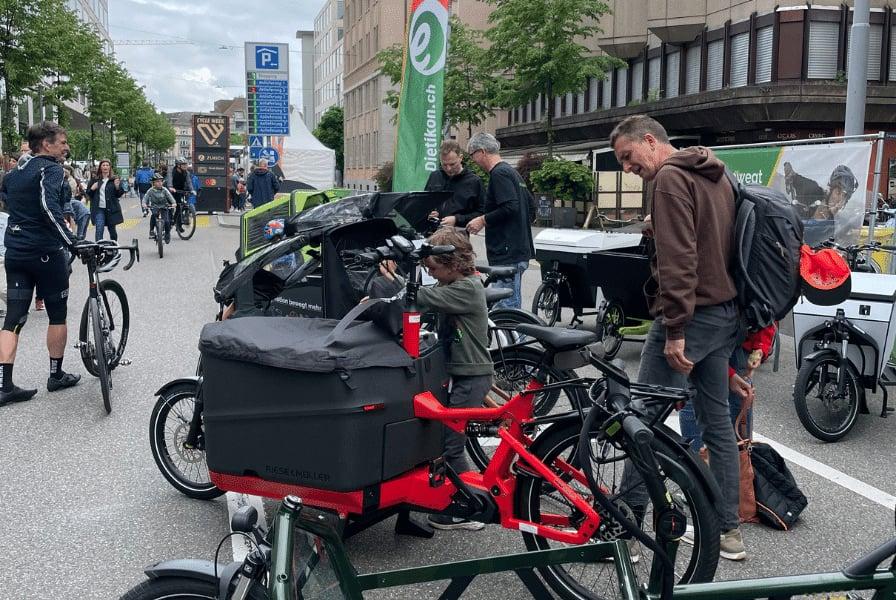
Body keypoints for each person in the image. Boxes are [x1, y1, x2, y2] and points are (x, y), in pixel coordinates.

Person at [610, 115, 745, 560]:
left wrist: (675, 329)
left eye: (628, 157)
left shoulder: (668, 179)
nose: (629, 168)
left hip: (691, 316)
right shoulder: (714, 172)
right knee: (717, 424)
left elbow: (680, 260)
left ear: (650, 141)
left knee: (640, 418)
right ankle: (728, 532)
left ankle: (625, 525)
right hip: (724, 312)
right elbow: (714, 242)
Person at [368, 227, 492, 531]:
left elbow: (424, 298)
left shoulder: (466, 289)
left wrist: (394, 279)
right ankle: (458, 500)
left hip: (470, 377)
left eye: (434, 268)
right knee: (443, 439)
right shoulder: (463, 282)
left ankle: (470, 508)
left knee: (451, 445)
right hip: (464, 374)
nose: (432, 274)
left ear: (453, 263)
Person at [0, 121, 81, 405]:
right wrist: (73, 242)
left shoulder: (13, 174)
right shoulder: (52, 169)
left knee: (14, 318)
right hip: (45, 253)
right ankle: (56, 375)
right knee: (57, 314)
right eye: (62, 141)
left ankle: (4, 385)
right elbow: (49, 209)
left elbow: (8, 201)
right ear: (46, 144)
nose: (66, 146)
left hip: (16, 253)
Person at [464, 132, 534, 309]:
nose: (473, 161)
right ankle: (514, 336)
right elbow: (531, 208)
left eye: (472, 155)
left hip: (507, 252)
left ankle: (515, 338)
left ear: (482, 151)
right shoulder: (513, 173)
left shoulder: (499, 174)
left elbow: (510, 206)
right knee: (509, 306)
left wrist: (483, 219)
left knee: (506, 309)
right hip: (520, 249)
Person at [424, 140, 485, 230]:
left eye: (452, 164)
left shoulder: (474, 181)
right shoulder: (435, 176)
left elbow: (483, 212)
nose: (448, 169)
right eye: (444, 165)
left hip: (458, 235)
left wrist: (457, 219)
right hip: (432, 232)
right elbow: (424, 203)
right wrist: (429, 212)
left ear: (460, 158)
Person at [86, 159, 125, 241]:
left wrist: (117, 187)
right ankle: (99, 248)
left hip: (111, 208)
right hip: (99, 209)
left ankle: (114, 246)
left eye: (107, 165)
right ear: (100, 167)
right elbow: (88, 193)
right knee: (99, 229)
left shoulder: (114, 179)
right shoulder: (95, 180)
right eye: (103, 165)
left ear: (110, 168)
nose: (105, 167)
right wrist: (92, 189)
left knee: (112, 230)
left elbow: (119, 194)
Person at [142, 173, 176, 243]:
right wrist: (144, 203)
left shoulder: (164, 190)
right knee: (154, 215)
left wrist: (173, 203)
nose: (160, 183)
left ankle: (167, 234)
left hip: (164, 206)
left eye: (161, 181)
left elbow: (170, 196)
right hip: (154, 206)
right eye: (157, 181)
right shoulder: (150, 190)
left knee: (167, 221)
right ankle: (151, 230)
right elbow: (145, 197)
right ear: (153, 183)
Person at [165, 157, 193, 232]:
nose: (185, 166)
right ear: (178, 165)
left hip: (179, 190)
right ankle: (169, 221)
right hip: (170, 191)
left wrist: (192, 190)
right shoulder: (171, 171)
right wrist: (170, 187)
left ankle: (178, 225)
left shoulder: (186, 172)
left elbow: (189, 182)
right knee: (170, 207)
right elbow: (169, 179)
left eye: (185, 164)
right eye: (183, 164)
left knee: (180, 207)